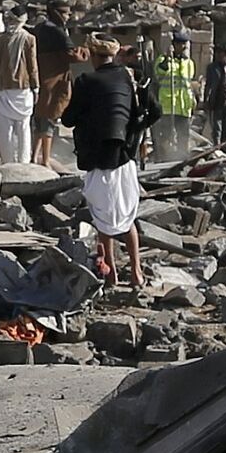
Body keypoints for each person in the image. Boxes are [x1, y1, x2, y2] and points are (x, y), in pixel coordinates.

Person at [63, 36, 158, 292]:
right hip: (125, 158)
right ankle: (136, 273)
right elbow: (155, 111)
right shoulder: (130, 78)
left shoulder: (86, 81)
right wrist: (134, 130)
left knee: (102, 219)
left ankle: (111, 274)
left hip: (98, 160)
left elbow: (68, 119)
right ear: (113, 55)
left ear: (94, 56)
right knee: (127, 218)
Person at [0, 9, 38, 166]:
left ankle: (7, 163)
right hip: (23, 89)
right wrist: (36, 87)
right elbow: (32, 67)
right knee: (24, 129)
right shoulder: (29, 39)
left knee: (5, 130)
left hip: (4, 88)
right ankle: (23, 163)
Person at [31, 0, 74, 169]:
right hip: (54, 82)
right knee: (49, 121)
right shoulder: (56, 32)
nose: (68, 16)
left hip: (41, 81)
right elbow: (70, 53)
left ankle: (34, 157)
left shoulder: (40, 28)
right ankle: (45, 160)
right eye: (66, 13)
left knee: (40, 121)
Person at [151, 33, 197, 159]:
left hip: (183, 106)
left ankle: (182, 156)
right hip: (168, 104)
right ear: (174, 45)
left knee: (184, 134)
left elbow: (188, 83)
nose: (183, 47)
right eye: (181, 44)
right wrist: (167, 57)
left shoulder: (189, 62)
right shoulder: (163, 59)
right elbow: (159, 72)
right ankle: (165, 156)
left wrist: (193, 100)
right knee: (166, 133)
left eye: (185, 44)